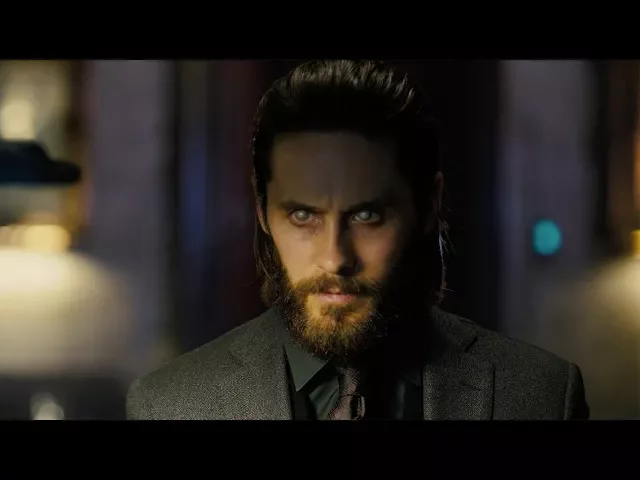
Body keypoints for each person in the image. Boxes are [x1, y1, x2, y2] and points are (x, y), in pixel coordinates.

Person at [126, 60, 589, 420]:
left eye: (367, 216)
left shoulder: (541, 395)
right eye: (303, 215)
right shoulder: (169, 405)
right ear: (263, 211)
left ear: (428, 206)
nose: (335, 258)